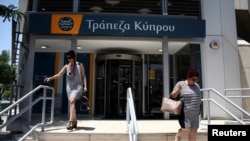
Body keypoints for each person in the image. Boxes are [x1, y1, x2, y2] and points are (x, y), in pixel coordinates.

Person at [44, 50, 87, 130]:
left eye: (70, 57)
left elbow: (84, 76)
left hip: (78, 86)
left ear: (74, 57)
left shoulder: (80, 65)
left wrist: (85, 87)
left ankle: (70, 121)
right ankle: (75, 122)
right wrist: (50, 78)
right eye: (67, 58)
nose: (68, 59)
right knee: (71, 103)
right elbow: (59, 75)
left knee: (72, 101)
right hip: (69, 88)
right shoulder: (66, 66)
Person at [170, 69, 202, 141]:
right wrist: (178, 90)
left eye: (196, 79)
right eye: (193, 79)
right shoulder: (180, 84)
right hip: (185, 113)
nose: (195, 81)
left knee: (193, 132)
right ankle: (178, 136)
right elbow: (172, 96)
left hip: (196, 113)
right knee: (186, 130)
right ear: (188, 77)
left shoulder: (197, 86)